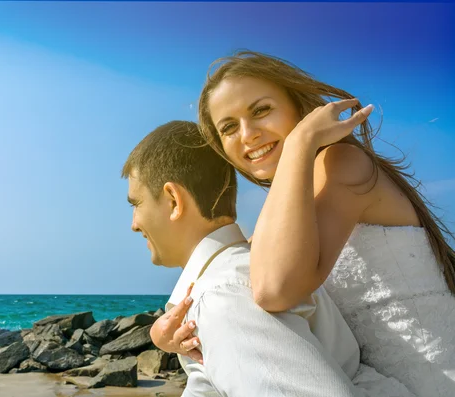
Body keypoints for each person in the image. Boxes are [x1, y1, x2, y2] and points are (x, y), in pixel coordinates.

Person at [155, 51, 455, 397]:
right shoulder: (292, 206)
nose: (248, 134)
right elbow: (237, 276)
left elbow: (273, 290)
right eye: (229, 128)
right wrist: (164, 336)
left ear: (299, 108)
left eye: (261, 110)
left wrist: (300, 141)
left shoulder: (341, 164)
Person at [122, 120, 412, 396]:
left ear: (173, 200)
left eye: (136, 203)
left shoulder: (224, 296)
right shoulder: (241, 273)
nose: (134, 223)